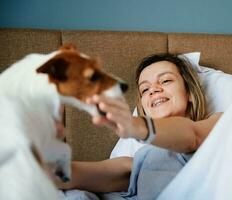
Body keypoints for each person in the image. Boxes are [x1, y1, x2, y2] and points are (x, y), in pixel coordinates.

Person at [56, 53, 222, 198]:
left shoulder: (218, 122)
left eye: (165, 80)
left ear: (190, 92)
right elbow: (96, 173)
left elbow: (193, 137)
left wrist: (136, 126)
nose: (153, 90)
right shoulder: (140, 159)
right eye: (145, 89)